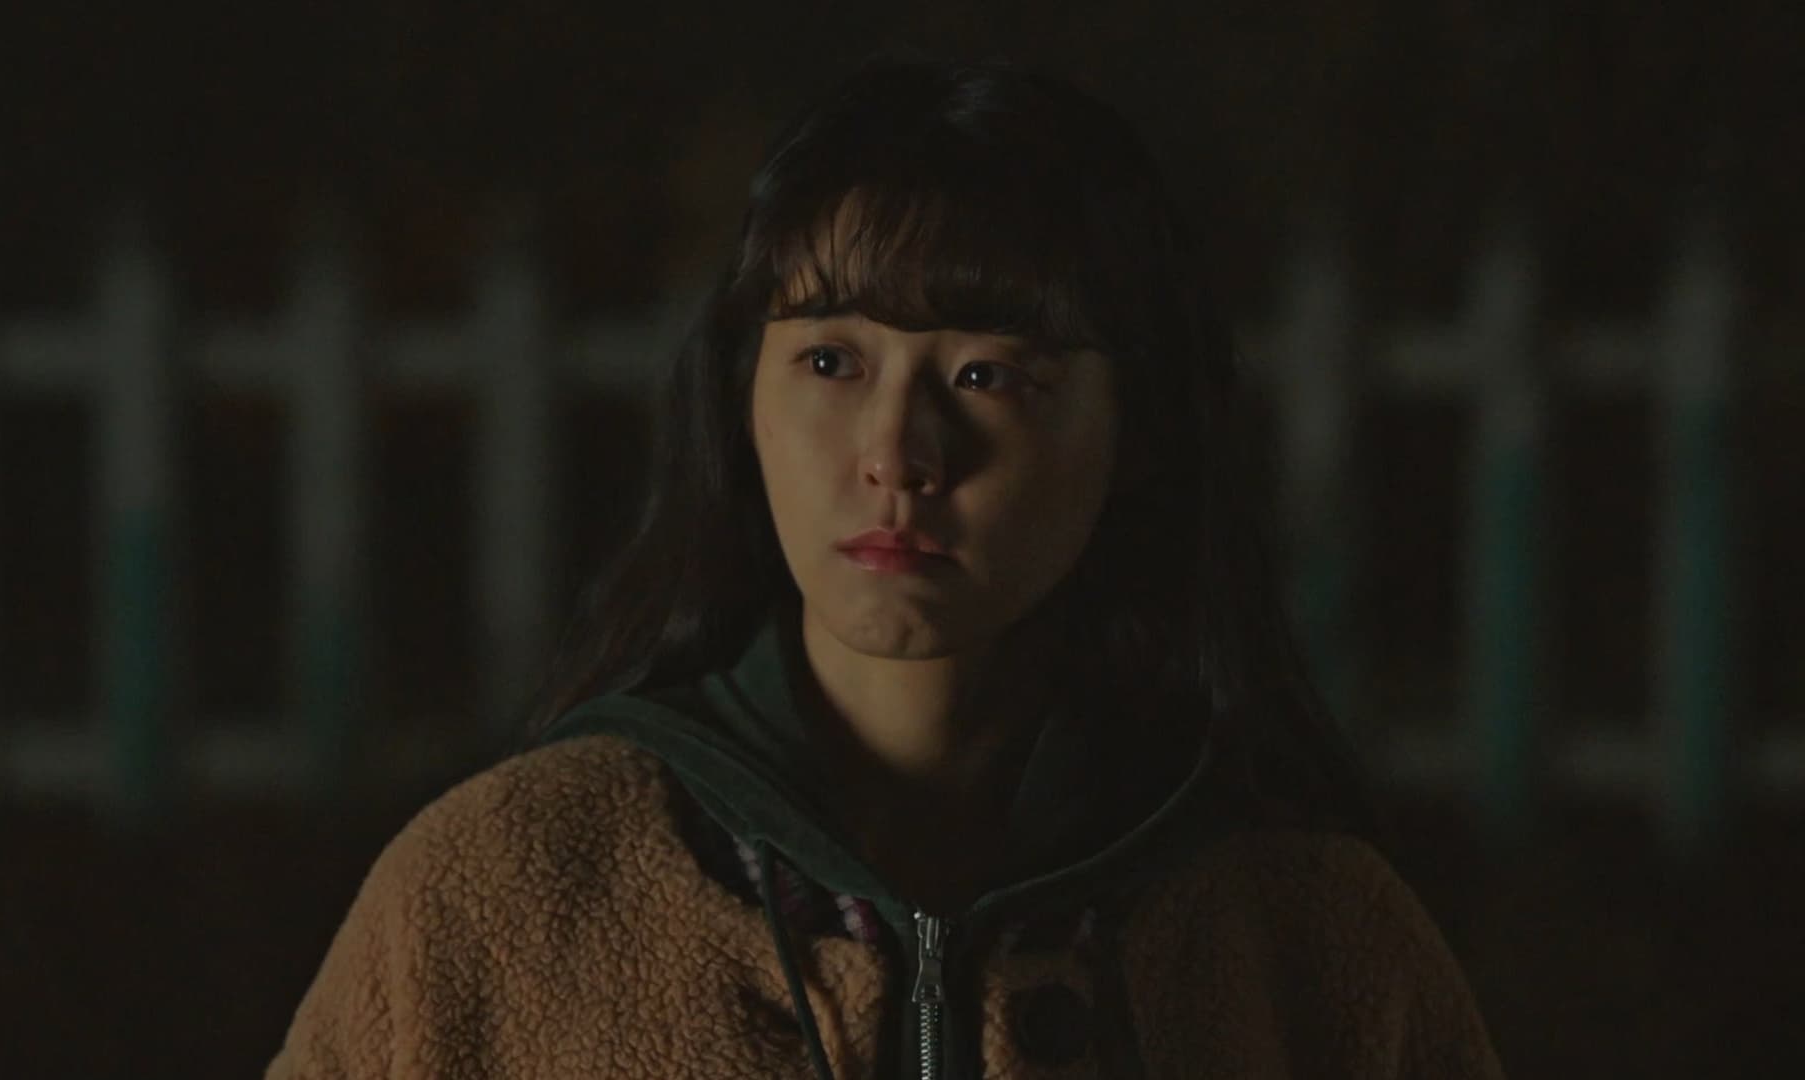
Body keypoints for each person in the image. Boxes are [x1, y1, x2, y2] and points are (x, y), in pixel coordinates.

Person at [267, 53, 1505, 1079]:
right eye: (830, 362)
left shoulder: (1299, 931)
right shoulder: (504, 889)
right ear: (741, 400)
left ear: (1137, 432)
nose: (899, 454)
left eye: (987, 374)